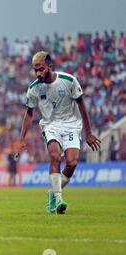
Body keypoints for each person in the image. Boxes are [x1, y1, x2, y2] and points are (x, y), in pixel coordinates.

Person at [17, 51, 101, 214]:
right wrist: (21, 138)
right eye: (35, 70)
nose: (38, 73)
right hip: (50, 125)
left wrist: (88, 133)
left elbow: (82, 106)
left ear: (49, 66)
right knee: (55, 156)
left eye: (41, 69)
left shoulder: (69, 81)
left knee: (72, 163)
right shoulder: (34, 88)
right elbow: (29, 113)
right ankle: (59, 200)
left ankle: (53, 193)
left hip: (71, 125)